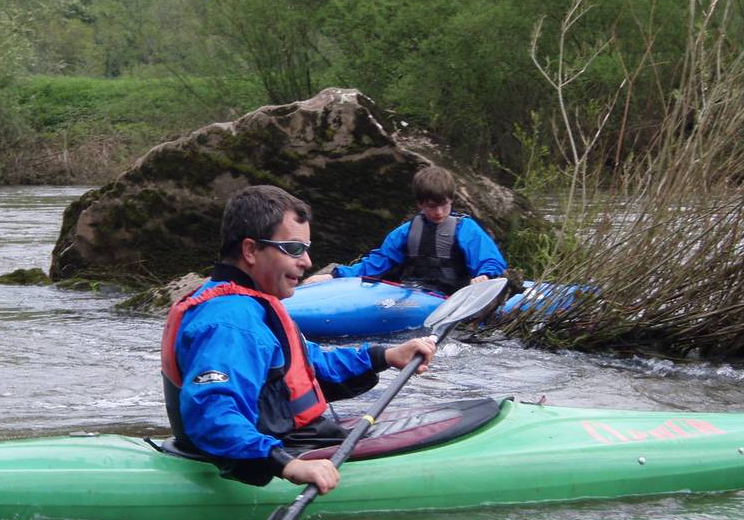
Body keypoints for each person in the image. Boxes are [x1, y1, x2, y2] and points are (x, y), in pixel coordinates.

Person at [161, 184, 436, 495]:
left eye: (306, 248)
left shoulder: (252, 302)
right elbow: (213, 414)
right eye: (293, 248)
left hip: (281, 437)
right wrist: (288, 465)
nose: (306, 261)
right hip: (260, 452)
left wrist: (384, 356)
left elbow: (308, 363)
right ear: (250, 250)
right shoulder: (230, 322)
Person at [302, 166, 506, 295]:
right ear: (420, 204)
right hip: (411, 293)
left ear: (451, 200)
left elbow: (491, 260)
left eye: (444, 205)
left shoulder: (465, 229)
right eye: (431, 206)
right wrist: (334, 275)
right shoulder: (406, 232)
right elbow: (376, 264)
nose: (439, 212)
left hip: (450, 296)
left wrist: (485, 276)